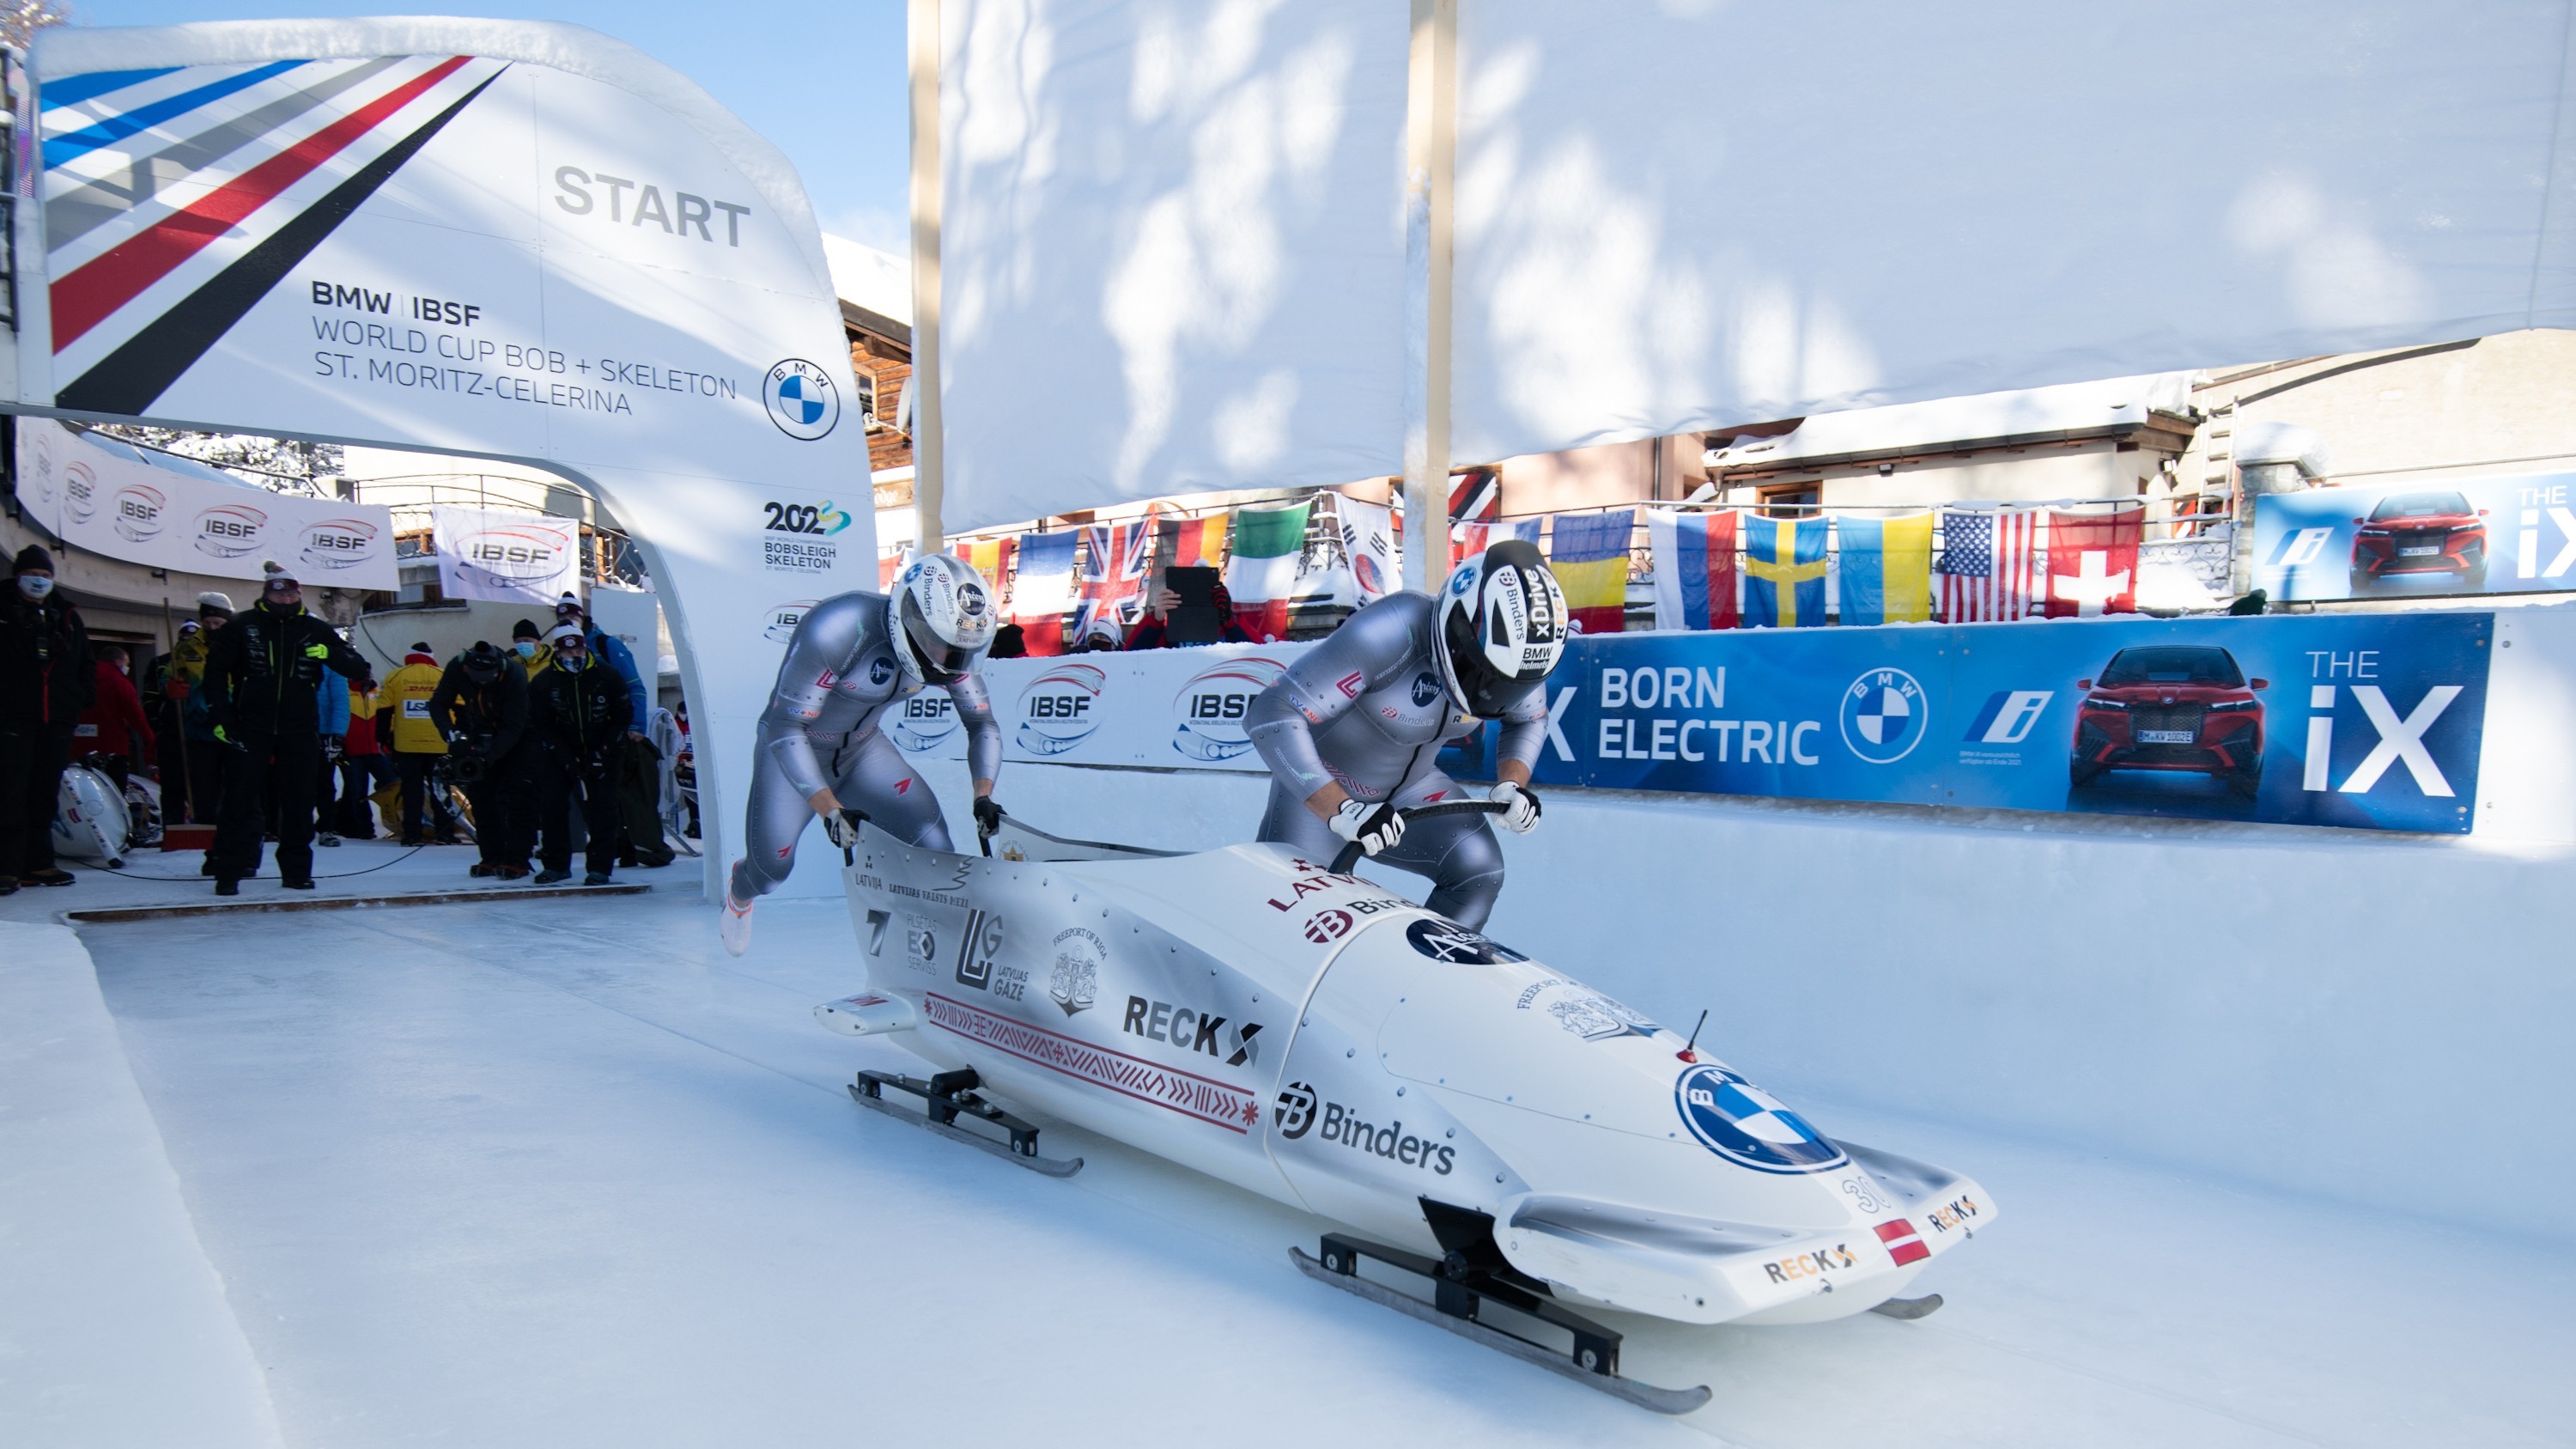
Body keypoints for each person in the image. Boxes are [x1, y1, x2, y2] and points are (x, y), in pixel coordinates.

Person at [1242, 539, 1568, 930]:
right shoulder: (1391, 630)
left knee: (1479, 871)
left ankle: (1425, 979)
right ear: (1458, 629)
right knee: (1285, 924)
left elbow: (1529, 719)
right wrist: (1340, 809)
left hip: (1415, 789)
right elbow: (1272, 713)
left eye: (1506, 686)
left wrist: (1511, 784)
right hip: (1328, 787)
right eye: (1485, 674)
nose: (1491, 694)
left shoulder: (1522, 654)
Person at [720, 553, 1003, 956]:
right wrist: (829, 808)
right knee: (770, 872)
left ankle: (933, 952)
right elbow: (786, 727)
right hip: (793, 751)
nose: (950, 664)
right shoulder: (838, 628)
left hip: (864, 750)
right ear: (911, 618)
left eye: (961, 652)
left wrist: (983, 796)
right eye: (942, 647)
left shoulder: (952, 646)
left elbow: (982, 725)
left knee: (937, 849)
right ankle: (738, 893)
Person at [199, 564, 372, 894]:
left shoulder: (315, 628)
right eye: (279, 593)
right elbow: (215, 674)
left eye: (291, 593)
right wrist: (220, 718)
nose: (286, 598)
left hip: (300, 727)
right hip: (250, 725)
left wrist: (330, 653)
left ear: (299, 594)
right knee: (238, 801)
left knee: (299, 802)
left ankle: (296, 872)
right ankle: (228, 872)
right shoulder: (242, 625)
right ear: (267, 594)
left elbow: (359, 667)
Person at [1, 545, 95, 892]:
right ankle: (6, 866)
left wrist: (80, 697)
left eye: (45, 576)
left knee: (44, 792)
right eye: (32, 575)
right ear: (18, 576)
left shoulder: (67, 615)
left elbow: (86, 660)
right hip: (12, 717)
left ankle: (38, 863)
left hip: (56, 718)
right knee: (10, 791)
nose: (39, 582)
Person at [526, 621, 632, 885]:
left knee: (603, 807)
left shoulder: (607, 675)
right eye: (568, 653)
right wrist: (563, 756)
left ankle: (599, 867)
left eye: (578, 652)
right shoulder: (544, 682)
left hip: (603, 747)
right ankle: (555, 865)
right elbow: (541, 723)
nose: (574, 657)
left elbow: (622, 714)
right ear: (558, 653)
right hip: (561, 749)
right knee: (553, 805)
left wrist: (606, 750)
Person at [431, 640, 532, 879]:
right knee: (482, 798)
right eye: (476, 677)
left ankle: (518, 859)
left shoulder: (514, 673)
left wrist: (490, 758)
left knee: (520, 797)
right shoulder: (457, 667)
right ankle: (491, 856)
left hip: (519, 734)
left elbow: (514, 726)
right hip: (479, 729)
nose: (481, 682)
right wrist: (452, 735)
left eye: (487, 677)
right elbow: (438, 704)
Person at [378, 642, 459, 844]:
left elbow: (384, 711)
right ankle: (445, 833)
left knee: (411, 791)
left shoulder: (396, 676)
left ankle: (412, 834)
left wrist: (382, 739)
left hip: (407, 744)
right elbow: (460, 707)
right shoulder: (442, 675)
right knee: (440, 790)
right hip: (439, 744)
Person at [76, 642, 155, 779]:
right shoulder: (120, 683)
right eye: (126, 663)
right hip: (112, 745)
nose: (127, 667)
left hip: (79, 744)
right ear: (118, 662)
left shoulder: (81, 678)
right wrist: (149, 738)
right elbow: (135, 715)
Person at [337, 673, 396, 837]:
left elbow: (391, 719)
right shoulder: (345, 695)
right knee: (358, 793)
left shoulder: (379, 695)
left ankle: (398, 821)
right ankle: (364, 829)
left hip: (378, 751)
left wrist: (389, 741)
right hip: (353, 752)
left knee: (393, 785)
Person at [1124, 580, 1254, 649]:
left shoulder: (1230, 627)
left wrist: (1229, 622)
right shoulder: (1172, 633)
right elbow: (1132, 658)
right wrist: (1156, 619)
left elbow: (1263, 655)